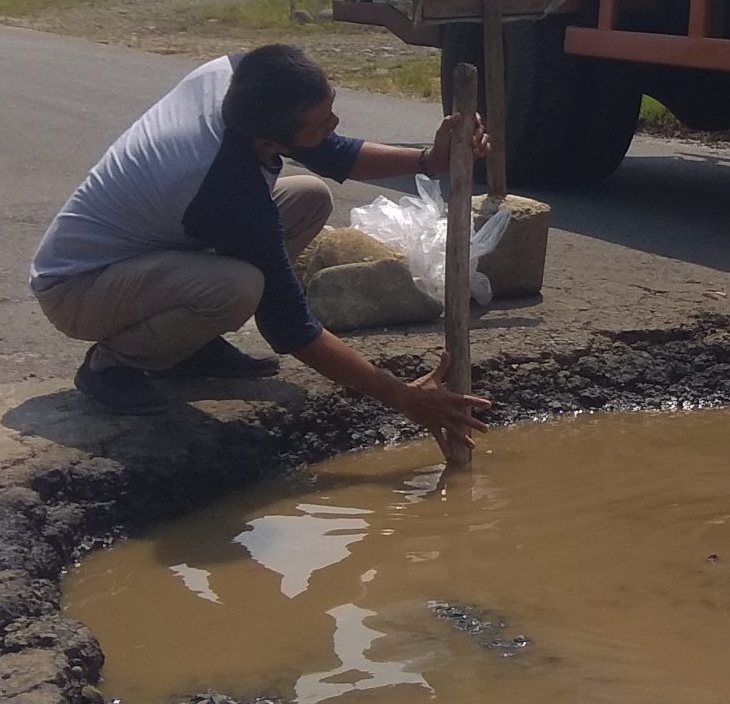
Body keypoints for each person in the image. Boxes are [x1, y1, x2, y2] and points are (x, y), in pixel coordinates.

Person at [29, 44, 489, 455]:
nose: (334, 122)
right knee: (238, 288)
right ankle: (114, 362)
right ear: (269, 141)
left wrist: (430, 160)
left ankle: (186, 345)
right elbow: (289, 326)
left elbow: (325, 151)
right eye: (322, 119)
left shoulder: (241, 78)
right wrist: (401, 395)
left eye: (330, 107)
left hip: (147, 254)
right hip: (77, 289)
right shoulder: (226, 185)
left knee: (310, 198)